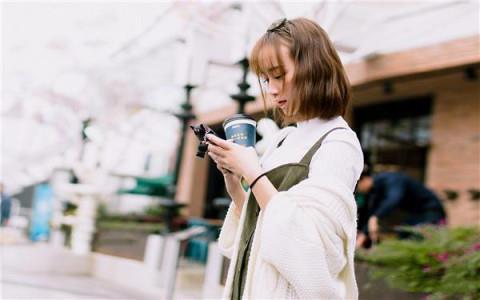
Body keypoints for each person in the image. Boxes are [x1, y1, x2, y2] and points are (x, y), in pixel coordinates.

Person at [207, 18, 363, 299]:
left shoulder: (338, 142)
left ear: (314, 69)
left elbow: (312, 254)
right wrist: (235, 184)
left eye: (279, 75)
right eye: (266, 79)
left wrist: (253, 174)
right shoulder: (284, 139)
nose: (272, 89)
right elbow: (259, 231)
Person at [355, 170, 446, 248]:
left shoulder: (391, 179)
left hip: (431, 211)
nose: (358, 191)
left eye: (357, 187)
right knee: (404, 235)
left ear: (364, 180)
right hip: (416, 214)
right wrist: (363, 235)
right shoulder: (375, 191)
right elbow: (373, 212)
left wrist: (375, 217)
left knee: (417, 239)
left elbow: (394, 198)